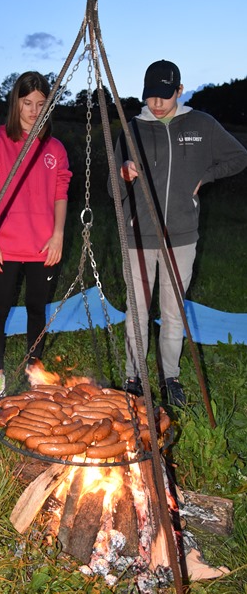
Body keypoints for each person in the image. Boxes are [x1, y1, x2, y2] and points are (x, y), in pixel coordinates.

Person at [110, 59, 247, 406]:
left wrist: (206, 177)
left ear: (180, 90)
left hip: (182, 236)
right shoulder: (132, 129)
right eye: (150, 96)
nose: (157, 104)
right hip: (139, 236)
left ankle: (170, 377)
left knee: (173, 312)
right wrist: (123, 174)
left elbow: (239, 156)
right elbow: (112, 188)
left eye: (165, 95)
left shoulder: (202, 124)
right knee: (137, 311)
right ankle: (134, 376)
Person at [0, 71, 72, 402]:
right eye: (27, 103)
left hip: (43, 245)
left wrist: (58, 236)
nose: (33, 111)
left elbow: (60, 193)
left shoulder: (54, 148)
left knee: (36, 308)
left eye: (40, 104)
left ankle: (34, 369)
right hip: (4, 244)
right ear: (15, 103)